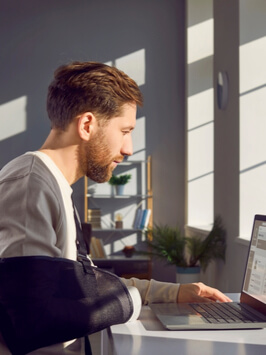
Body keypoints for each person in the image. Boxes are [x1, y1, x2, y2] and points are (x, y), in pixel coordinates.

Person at [0, 61, 231, 354]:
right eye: (125, 130)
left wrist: (176, 293)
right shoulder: (30, 184)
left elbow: (87, 283)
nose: (129, 148)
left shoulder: (51, 183)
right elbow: (32, 320)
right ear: (86, 125)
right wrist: (131, 301)